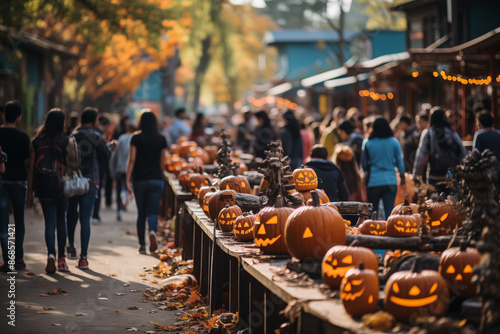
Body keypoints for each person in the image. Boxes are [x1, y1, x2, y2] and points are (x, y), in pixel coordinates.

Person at [27, 109, 79, 273]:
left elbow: (31, 169)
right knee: (61, 222)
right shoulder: (66, 141)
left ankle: (50, 254)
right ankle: (61, 260)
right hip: (61, 187)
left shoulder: (37, 141)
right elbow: (75, 164)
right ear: (62, 123)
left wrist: (30, 192)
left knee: (49, 222)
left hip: (43, 187)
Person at [67, 107, 111, 269]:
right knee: (85, 219)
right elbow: (106, 156)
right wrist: (110, 146)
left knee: (71, 214)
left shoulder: (73, 136)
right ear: (93, 121)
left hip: (73, 182)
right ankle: (83, 258)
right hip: (91, 182)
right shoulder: (96, 136)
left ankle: (70, 246)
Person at [126, 110, 167, 254]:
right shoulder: (161, 139)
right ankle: (153, 232)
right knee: (153, 211)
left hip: (139, 180)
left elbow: (131, 160)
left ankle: (142, 245)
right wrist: (159, 174)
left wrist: (127, 180)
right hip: (156, 179)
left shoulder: (135, 138)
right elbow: (163, 163)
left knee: (141, 213)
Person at [0, 101, 30, 272]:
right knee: (19, 220)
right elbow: (27, 160)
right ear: (19, 117)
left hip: (2, 181)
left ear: (4, 115)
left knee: (3, 222)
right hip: (19, 182)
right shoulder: (24, 137)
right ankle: (19, 258)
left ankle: (7, 260)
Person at [413, 107, 466, 195]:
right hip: (451, 174)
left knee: (434, 204)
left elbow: (420, 155)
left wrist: (415, 175)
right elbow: (463, 152)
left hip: (434, 174)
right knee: (452, 204)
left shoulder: (428, 133)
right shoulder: (452, 133)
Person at [361, 117, 405, 219]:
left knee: (373, 212)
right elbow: (400, 162)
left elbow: (364, 165)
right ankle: (389, 232)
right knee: (389, 211)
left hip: (373, 181)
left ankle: (372, 233)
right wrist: (402, 177)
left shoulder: (367, 143)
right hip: (390, 180)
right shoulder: (394, 142)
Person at [110, 124, 135, 221]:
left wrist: (113, 168)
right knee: (128, 186)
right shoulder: (134, 140)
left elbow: (114, 155)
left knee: (119, 189)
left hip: (119, 168)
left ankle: (119, 210)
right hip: (129, 169)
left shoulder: (121, 139)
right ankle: (124, 198)